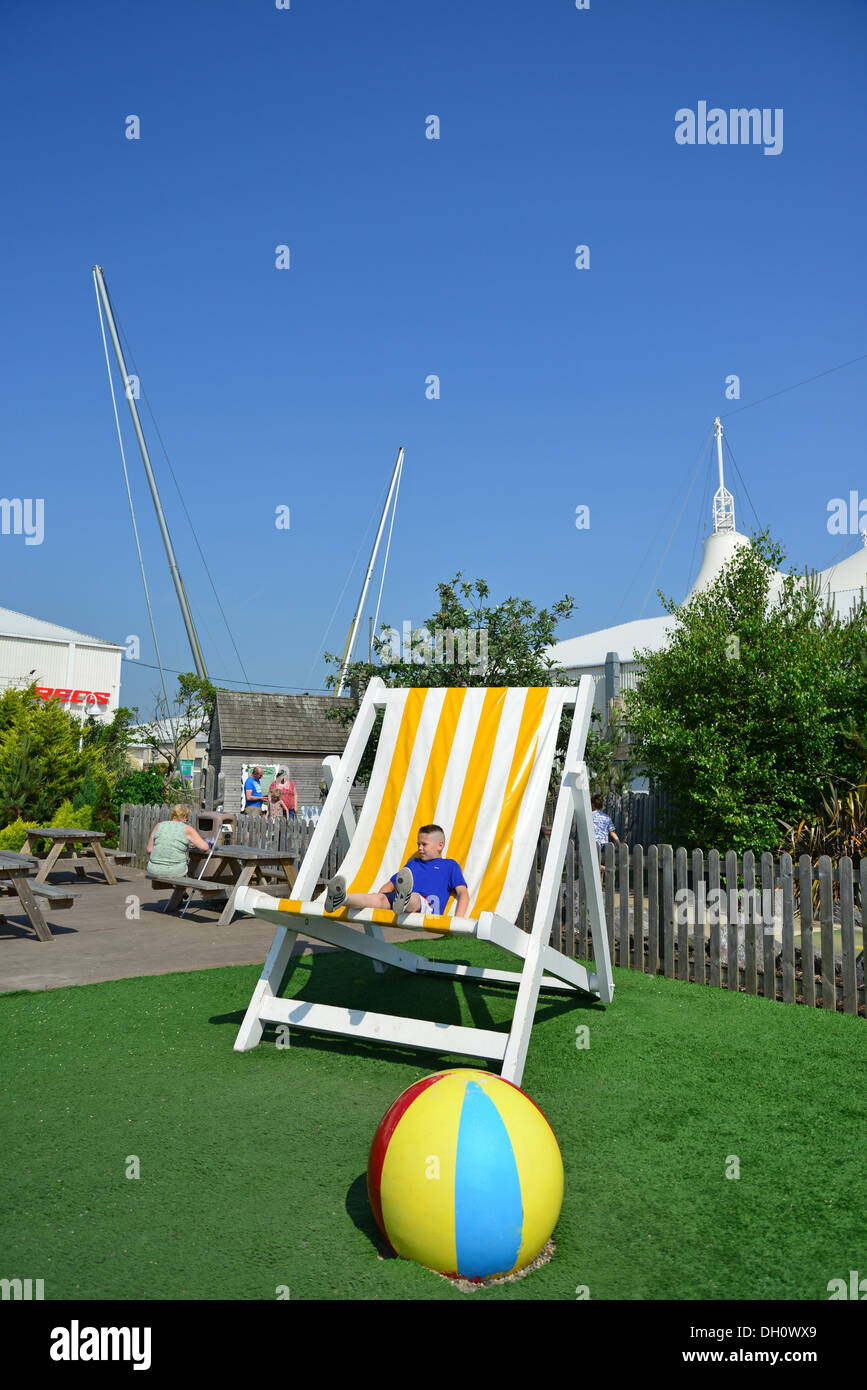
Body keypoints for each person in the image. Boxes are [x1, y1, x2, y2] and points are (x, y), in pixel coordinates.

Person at [324, 824, 469, 918]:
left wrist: (458, 920)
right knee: (378, 898)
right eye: (418, 844)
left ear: (440, 845)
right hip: (400, 900)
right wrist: (382, 897)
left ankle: (404, 898)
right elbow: (391, 883)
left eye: (424, 844)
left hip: (427, 908)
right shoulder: (414, 863)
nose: (419, 848)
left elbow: (463, 893)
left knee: (414, 898)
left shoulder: (450, 865)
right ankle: (342, 898)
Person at [146, 804, 212, 877]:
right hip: (175, 870)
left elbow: (149, 850)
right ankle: (181, 888)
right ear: (184, 816)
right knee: (187, 871)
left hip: (153, 870)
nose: (186, 821)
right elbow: (205, 847)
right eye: (186, 818)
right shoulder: (187, 829)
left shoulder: (158, 825)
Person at [591, 792, 620, 882]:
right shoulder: (606, 817)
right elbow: (612, 833)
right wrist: (619, 843)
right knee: (600, 866)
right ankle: (600, 887)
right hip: (604, 844)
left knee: (592, 864)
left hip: (594, 843)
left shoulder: (589, 816)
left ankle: (604, 868)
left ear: (592, 805)